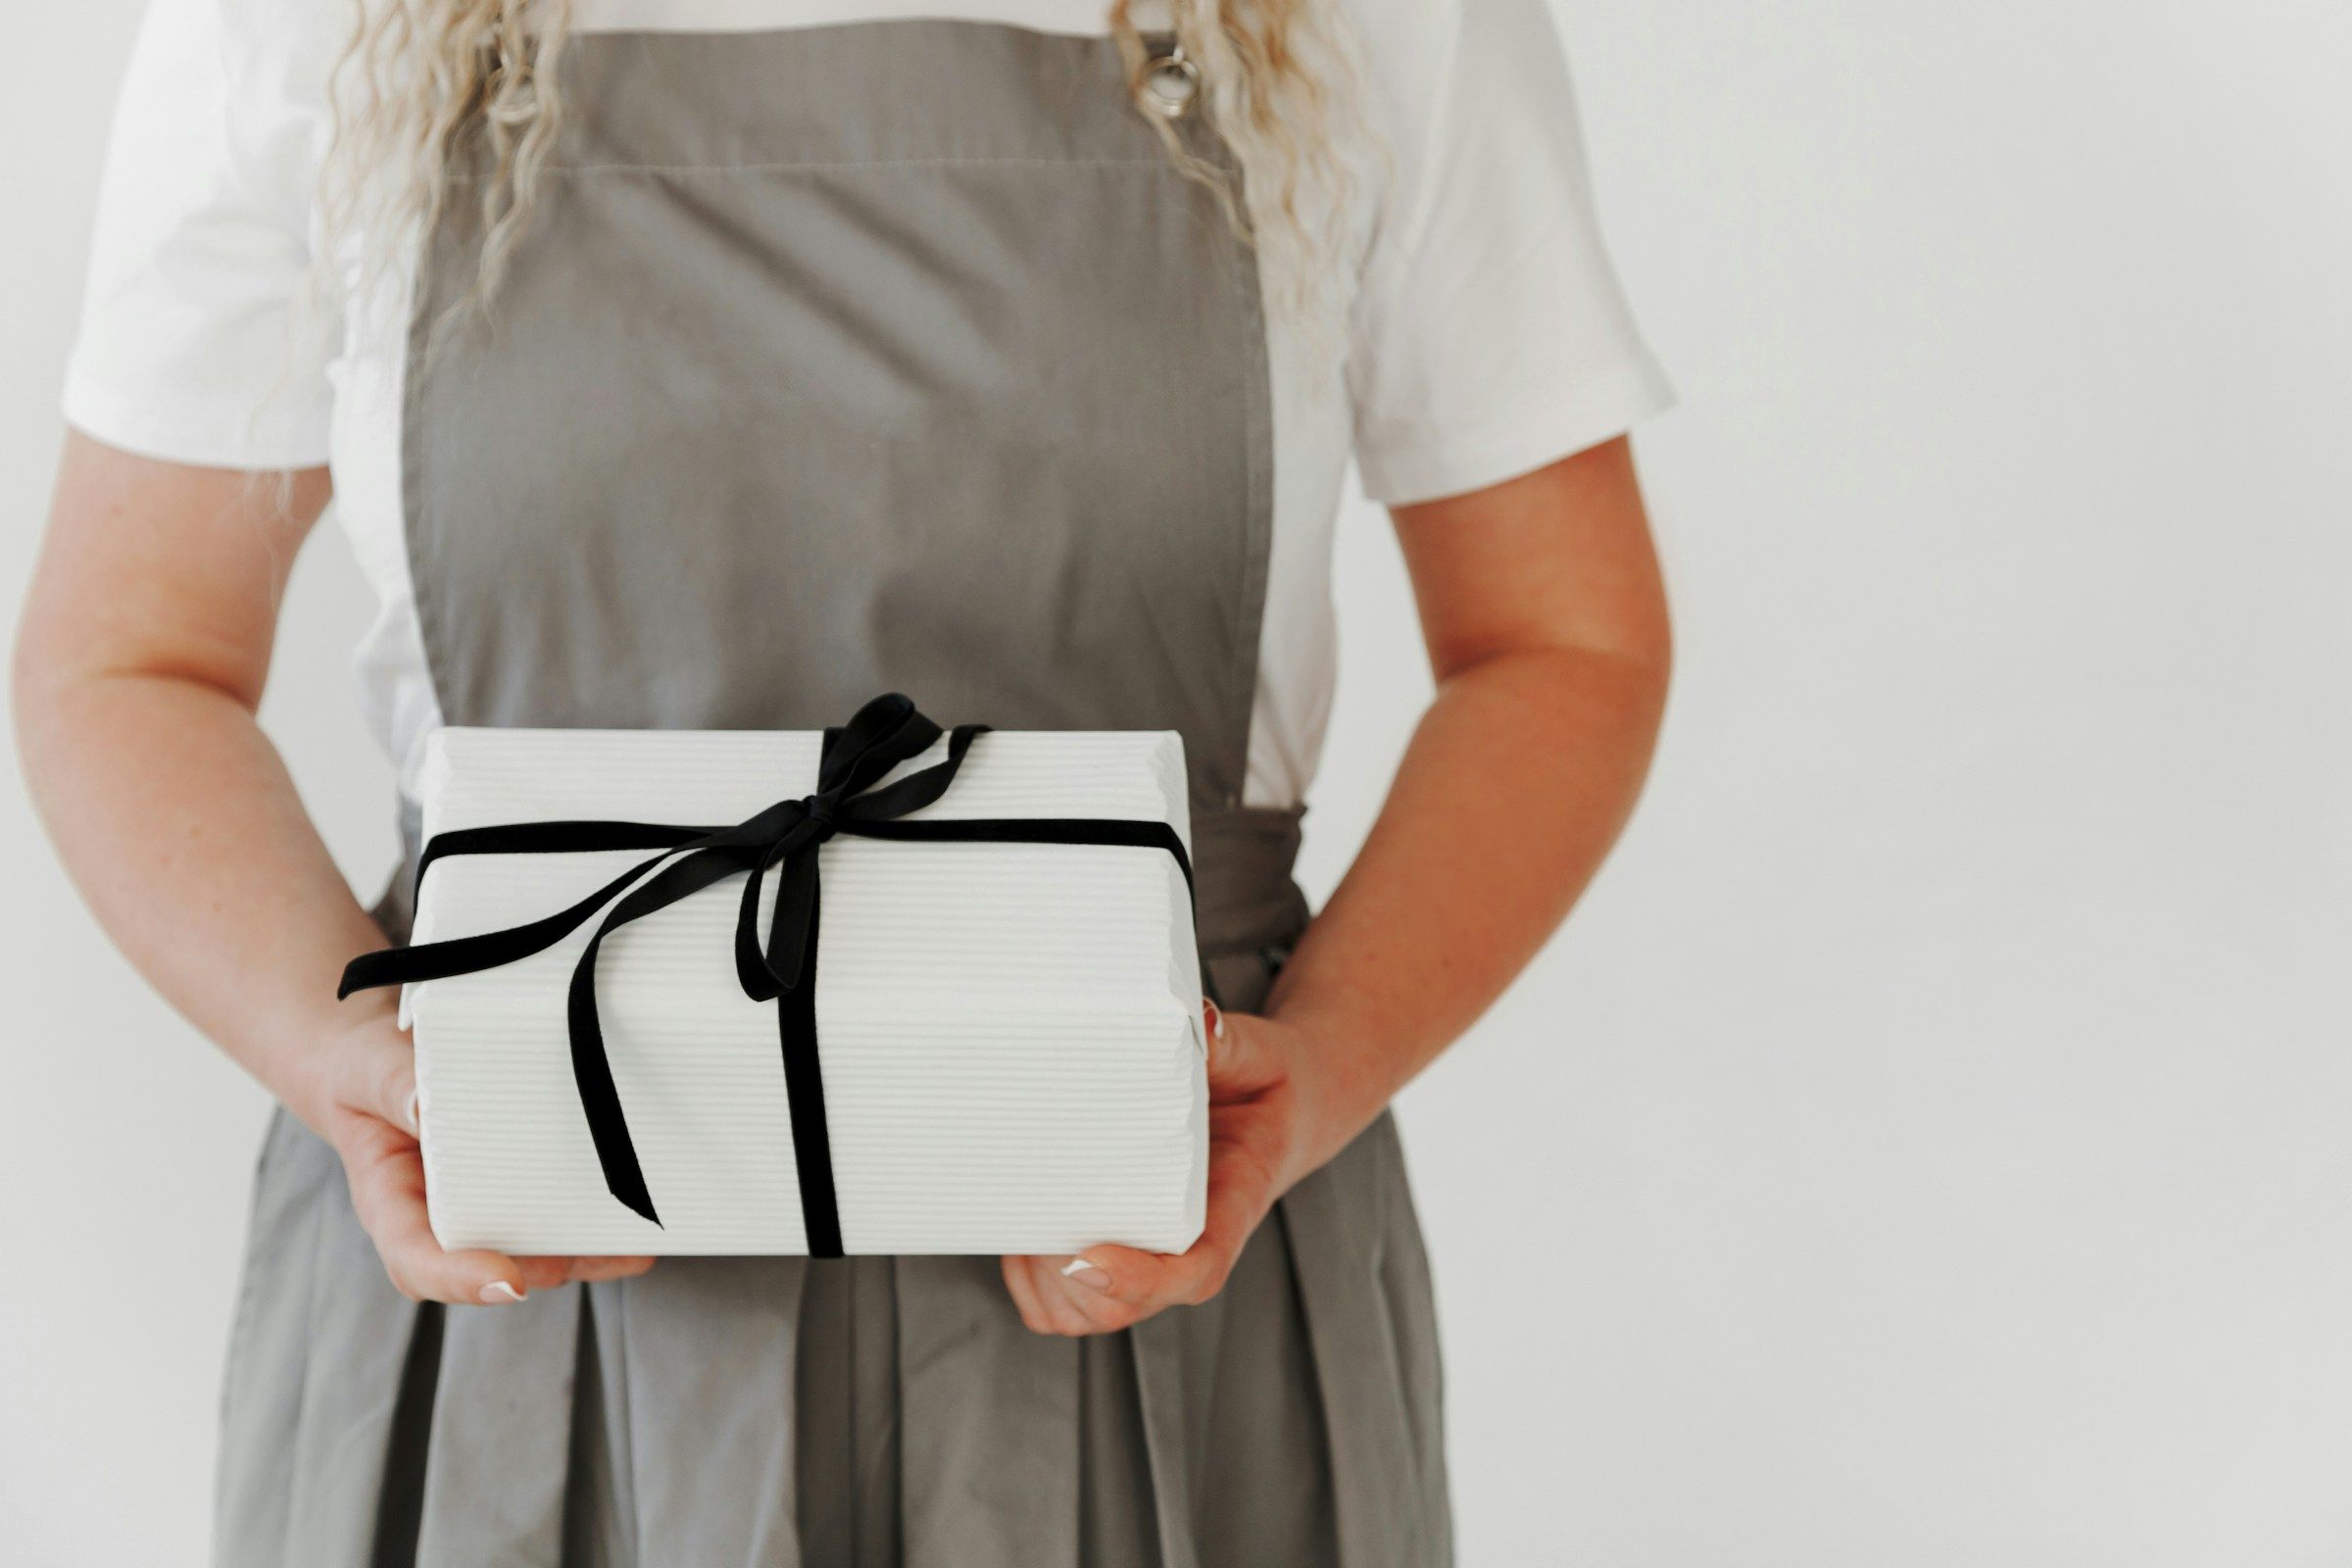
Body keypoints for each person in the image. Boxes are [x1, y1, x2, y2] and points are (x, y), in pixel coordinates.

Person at [16, 0, 1675, 1561]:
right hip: (519, 1287)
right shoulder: (307, 23)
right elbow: (127, 656)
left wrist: (1317, 1067)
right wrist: (342, 1055)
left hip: (1165, 1253)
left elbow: (1560, 637)